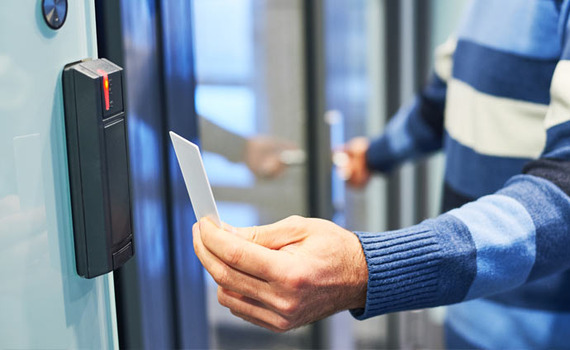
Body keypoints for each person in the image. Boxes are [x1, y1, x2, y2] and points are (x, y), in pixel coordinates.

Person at [192, 1, 570, 348]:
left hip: (540, 330)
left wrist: (368, 269)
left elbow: (564, 193)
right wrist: (373, 156)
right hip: (469, 313)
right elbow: (446, 97)